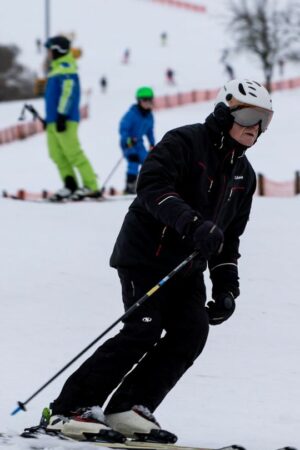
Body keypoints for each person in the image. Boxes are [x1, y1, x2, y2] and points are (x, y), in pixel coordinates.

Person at [40, 79, 273, 441]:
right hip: (147, 254)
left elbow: (228, 241)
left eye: (265, 120)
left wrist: (227, 287)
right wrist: (194, 224)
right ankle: (69, 408)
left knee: (192, 331)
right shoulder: (184, 141)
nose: (255, 128)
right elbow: (152, 187)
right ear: (225, 111)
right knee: (143, 329)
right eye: (249, 115)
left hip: (186, 267)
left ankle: (127, 407)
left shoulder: (245, 175)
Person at [44, 35, 100, 201]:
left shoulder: (66, 67)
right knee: (56, 154)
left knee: (73, 152)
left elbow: (68, 93)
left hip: (65, 119)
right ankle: (70, 185)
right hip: (53, 120)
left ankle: (91, 186)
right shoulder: (56, 68)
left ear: (57, 50)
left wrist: (62, 114)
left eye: (50, 50)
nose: (48, 53)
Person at [119, 86, 155, 194]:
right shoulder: (132, 114)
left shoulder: (149, 116)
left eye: (150, 100)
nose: (147, 103)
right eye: (145, 100)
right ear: (139, 101)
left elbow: (150, 131)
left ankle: (147, 184)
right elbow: (123, 128)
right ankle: (130, 186)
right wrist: (128, 140)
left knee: (148, 161)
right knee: (133, 160)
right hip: (128, 143)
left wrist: (152, 143)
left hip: (139, 143)